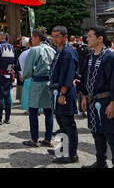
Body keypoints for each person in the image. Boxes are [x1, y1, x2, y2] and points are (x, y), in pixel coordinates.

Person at [81, 27, 114, 168]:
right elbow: (85, 78)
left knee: (112, 136)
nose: (87, 39)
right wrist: (85, 96)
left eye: (90, 36)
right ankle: (101, 162)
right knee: (97, 134)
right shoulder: (89, 57)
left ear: (100, 38)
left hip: (107, 101)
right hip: (92, 101)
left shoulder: (109, 56)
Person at [49, 26, 79, 164]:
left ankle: (71, 154)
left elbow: (69, 74)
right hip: (58, 91)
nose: (55, 39)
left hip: (65, 92)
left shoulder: (67, 52)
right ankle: (62, 149)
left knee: (68, 124)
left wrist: (62, 93)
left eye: (58, 36)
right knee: (61, 123)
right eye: (53, 36)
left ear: (65, 37)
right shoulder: (59, 50)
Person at [22, 29, 56, 148]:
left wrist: (25, 75)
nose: (32, 40)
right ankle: (48, 138)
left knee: (33, 111)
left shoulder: (35, 50)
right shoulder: (52, 50)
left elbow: (28, 68)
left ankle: (34, 139)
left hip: (37, 82)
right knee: (48, 111)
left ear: (36, 38)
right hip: (49, 82)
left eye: (32, 38)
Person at [18, 38, 33, 112]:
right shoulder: (41, 51)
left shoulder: (24, 53)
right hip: (38, 76)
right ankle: (39, 108)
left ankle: (29, 109)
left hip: (27, 76)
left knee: (28, 93)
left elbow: (20, 64)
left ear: (28, 44)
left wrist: (21, 74)